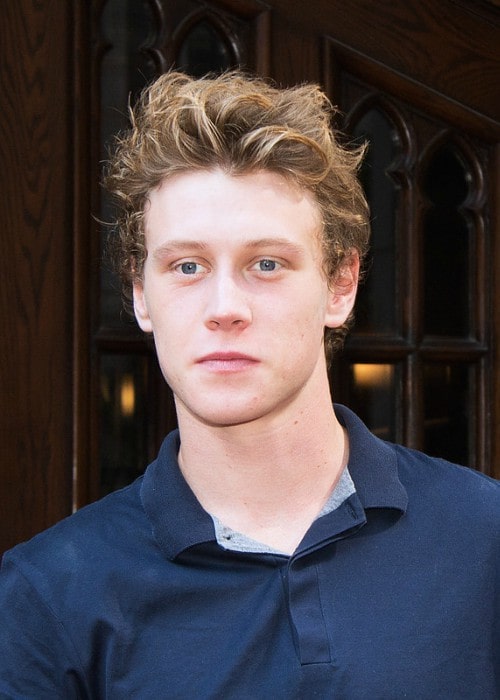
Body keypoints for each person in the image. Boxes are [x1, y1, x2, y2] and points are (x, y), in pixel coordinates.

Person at [0, 71, 499, 700]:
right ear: (138, 294)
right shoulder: (46, 595)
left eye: (267, 263)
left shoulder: (485, 541)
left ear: (340, 286)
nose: (224, 306)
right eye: (187, 266)